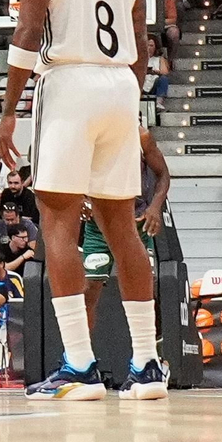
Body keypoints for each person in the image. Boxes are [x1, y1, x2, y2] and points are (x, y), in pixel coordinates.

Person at [0, 0, 166, 401]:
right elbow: (140, 43)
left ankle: (79, 365)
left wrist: (7, 110)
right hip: (121, 86)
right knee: (123, 226)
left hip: (69, 81)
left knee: (58, 221)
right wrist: (130, 102)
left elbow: (27, 30)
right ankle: (147, 365)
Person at [82, 128, 170, 324]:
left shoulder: (141, 136)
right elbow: (68, 173)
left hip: (135, 222)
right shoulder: (87, 132)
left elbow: (162, 174)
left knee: (147, 288)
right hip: (99, 225)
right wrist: (80, 199)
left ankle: (150, 349)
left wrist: (155, 207)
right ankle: (80, 352)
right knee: (89, 289)